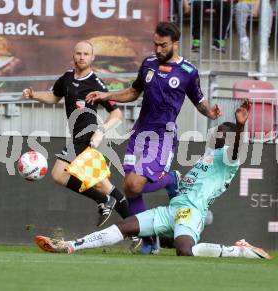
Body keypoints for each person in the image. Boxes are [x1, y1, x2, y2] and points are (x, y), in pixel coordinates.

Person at [35, 100, 271, 260]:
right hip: (172, 210)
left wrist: (240, 126)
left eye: (220, 131)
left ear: (228, 137)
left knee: (184, 251)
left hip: (191, 212)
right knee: (126, 227)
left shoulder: (228, 158)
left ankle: (239, 251)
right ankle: (69, 245)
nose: (215, 133)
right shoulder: (209, 156)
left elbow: (238, 151)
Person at [85, 22, 222, 254]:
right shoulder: (148, 64)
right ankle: (150, 242)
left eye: (163, 45)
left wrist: (210, 112)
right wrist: (107, 94)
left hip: (163, 136)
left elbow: (199, 101)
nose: (158, 49)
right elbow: (133, 92)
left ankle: (171, 180)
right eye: (155, 44)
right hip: (140, 133)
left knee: (136, 183)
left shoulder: (188, 71)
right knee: (130, 189)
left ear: (175, 43)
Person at [22, 41, 130, 228]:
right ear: (73, 56)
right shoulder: (66, 78)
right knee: (102, 185)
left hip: (87, 139)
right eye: (78, 53)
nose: (82, 57)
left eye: (86, 54)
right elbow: (55, 96)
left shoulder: (95, 83)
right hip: (76, 138)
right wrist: (34, 95)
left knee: (61, 175)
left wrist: (101, 131)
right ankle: (139, 230)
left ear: (92, 58)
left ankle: (131, 224)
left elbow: (117, 113)